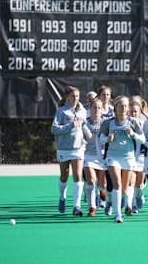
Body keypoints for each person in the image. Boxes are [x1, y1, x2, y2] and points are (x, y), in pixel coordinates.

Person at [99, 95, 145, 223]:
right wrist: (107, 139)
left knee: (125, 190)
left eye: (126, 106)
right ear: (115, 108)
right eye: (121, 106)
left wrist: (133, 134)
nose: (124, 108)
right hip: (113, 157)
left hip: (128, 158)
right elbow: (100, 138)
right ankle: (118, 214)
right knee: (117, 185)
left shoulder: (133, 122)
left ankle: (123, 203)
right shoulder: (108, 123)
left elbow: (143, 139)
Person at [51, 86, 92, 216]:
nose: (75, 99)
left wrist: (87, 132)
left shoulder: (82, 111)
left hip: (78, 148)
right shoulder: (61, 111)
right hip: (64, 148)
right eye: (73, 96)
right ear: (67, 97)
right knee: (64, 176)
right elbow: (54, 129)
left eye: (78, 96)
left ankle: (77, 206)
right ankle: (62, 198)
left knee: (78, 176)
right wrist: (69, 126)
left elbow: (84, 124)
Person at [83, 98, 106, 217]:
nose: (96, 110)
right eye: (94, 107)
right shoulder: (85, 123)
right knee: (91, 180)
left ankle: (102, 190)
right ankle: (92, 207)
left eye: (99, 108)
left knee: (102, 183)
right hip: (88, 155)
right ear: (90, 108)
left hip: (102, 156)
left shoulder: (105, 122)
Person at [128, 101, 148, 213]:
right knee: (131, 181)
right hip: (129, 155)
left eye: (135, 111)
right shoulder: (125, 123)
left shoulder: (145, 123)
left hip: (141, 156)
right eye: (131, 111)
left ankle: (138, 195)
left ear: (140, 111)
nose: (133, 113)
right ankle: (131, 205)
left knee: (139, 183)